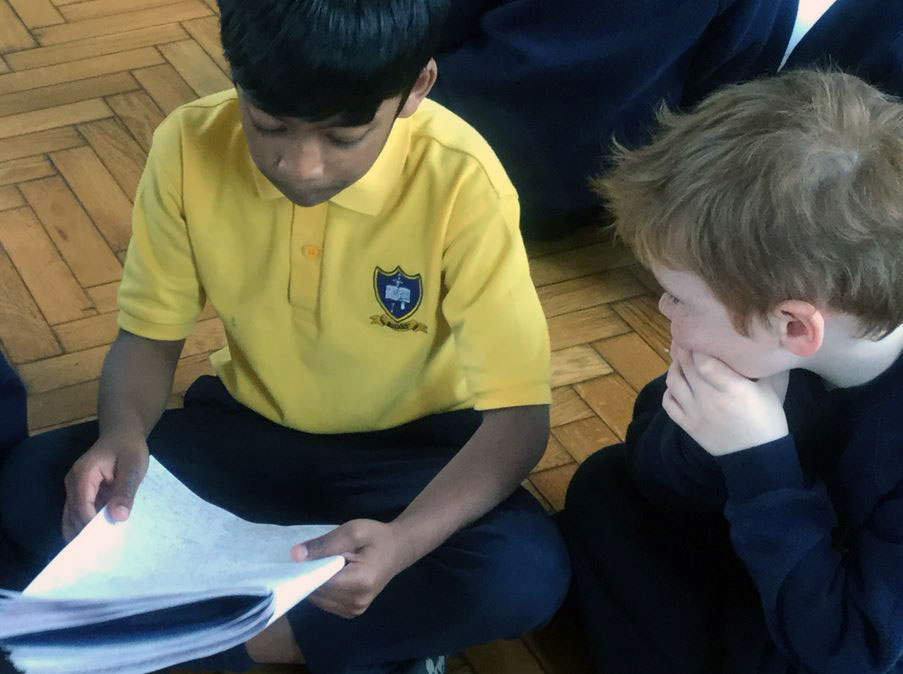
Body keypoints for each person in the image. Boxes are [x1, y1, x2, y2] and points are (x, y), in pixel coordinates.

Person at [0, 1, 570, 672]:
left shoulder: (461, 181)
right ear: (235, 75)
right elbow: (149, 338)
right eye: (268, 124)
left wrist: (405, 543)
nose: (300, 166)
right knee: (32, 481)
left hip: (410, 454)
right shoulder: (187, 145)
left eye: (344, 137)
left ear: (417, 87)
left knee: (523, 573)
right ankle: (347, 641)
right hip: (248, 432)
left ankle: (214, 634)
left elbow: (518, 422)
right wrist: (121, 433)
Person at [562, 69, 903, 673]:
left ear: (794, 326)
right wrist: (711, 437)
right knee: (605, 488)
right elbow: (651, 475)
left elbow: (854, 649)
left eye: (680, 298)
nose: (663, 308)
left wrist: (760, 464)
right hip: (770, 561)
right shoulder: (765, 348)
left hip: (841, 632)